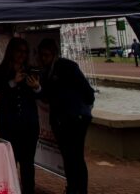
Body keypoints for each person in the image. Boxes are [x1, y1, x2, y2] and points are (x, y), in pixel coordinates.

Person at [37, 38, 95, 194]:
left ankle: (80, 190)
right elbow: (45, 95)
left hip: (75, 119)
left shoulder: (67, 67)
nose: (43, 58)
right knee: (68, 157)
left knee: (75, 156)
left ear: (54, 54)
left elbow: (88, 92)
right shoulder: (45, 72)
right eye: (41, 55)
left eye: (46, 55)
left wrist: (81, 110)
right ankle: (71, 187)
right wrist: (37, 89)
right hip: (60, 121)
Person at [0, 38, 40, 194]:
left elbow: (43, 94)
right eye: (19, 51)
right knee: (10, 162)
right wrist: (13, 82)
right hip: (8, 125)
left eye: (25, 52)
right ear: (11, 51)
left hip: (29, 126)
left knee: (27, 164)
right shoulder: (1, 70)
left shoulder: (32, 70)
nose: (22, 55)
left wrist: (37, 87)